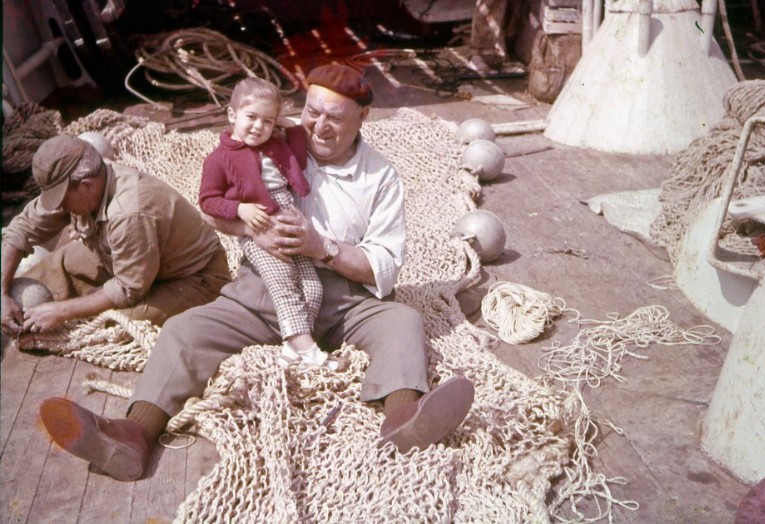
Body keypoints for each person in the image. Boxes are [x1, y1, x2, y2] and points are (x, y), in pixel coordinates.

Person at [37, 64, 475, 482]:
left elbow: (384, 263)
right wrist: (248, 228)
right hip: (263, 288)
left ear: (364, 117)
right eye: (312, 112)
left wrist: (321, 247)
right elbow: (214, 207)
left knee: (402, 321)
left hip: (344, 298)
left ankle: (404, 419)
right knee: (184, 330)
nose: (319, 127)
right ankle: (133, 435)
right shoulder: (269, 137)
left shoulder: (381, 176)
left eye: (335, 118)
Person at [0, 136, 231, 336]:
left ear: (86, 186)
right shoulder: (86, 182)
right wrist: (2, 294)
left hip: (192, 279)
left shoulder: (129, 211)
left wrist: (62, 312)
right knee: (54, 267)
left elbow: (128, 289)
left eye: (62, 200)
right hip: (129, 261)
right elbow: (21, 229)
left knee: (111, 325)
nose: (59, 207)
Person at [200, 76, 342, 372]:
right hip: (259, 228)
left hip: (290, 220)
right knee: (283, 284)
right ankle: (311, 353)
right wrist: (239, 208)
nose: (258, 127)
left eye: (267, 121)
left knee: (313, 288)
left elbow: (299, 160)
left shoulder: (276, 145)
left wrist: (286, 124)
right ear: (232, 114)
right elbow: (207, 200)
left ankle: (292, 349)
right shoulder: (219, 158)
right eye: (251, 117)